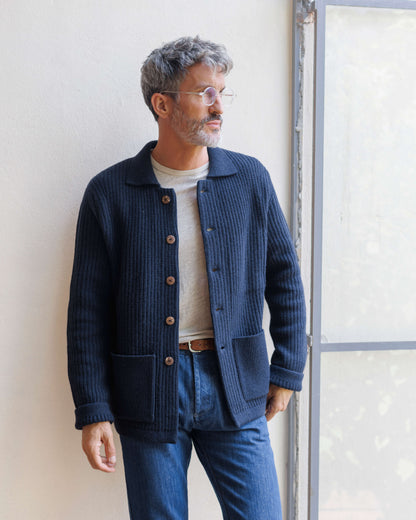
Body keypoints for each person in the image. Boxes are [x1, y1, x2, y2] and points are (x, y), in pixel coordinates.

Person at [67, 35, 307, 520]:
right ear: (162, 104)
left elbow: (284, 278)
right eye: (204, 92)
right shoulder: (110, 193)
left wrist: (287, 368)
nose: (219, 106)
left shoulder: (249, 179)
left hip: (235, 383)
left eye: (222, 91)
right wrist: (93, 409)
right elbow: (87, 313)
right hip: (148, 390)